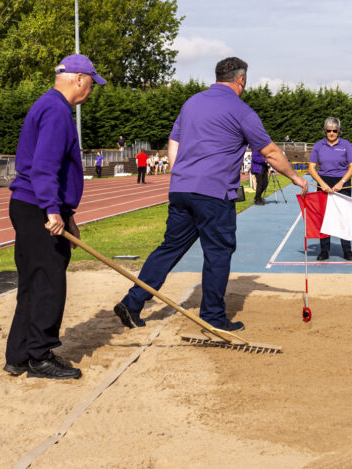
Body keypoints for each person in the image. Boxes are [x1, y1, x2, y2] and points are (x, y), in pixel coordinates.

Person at [113, 57, 307, 332]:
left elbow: (174, 140)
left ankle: (132, 302)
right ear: (241, 80)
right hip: (214, 193)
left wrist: (179, 173)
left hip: (181, 189)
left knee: (170, 247)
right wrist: (296, 178)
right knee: (218, 251)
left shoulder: (191, 103)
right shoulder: (242, 111)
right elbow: (271, 153)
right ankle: (213, 317)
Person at [4, 54, 106, 379]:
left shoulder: (49, 105)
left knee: (33, 283)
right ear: (79, 79)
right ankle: (39, 355)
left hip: (33, 205)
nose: (91, 90)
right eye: (91, 83)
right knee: (49, 282)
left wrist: (67, 213)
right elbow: (44, 165)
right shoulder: (57, 111)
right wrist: (51, 209)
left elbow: (54, 170)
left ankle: (19, 355)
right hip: (37, 206)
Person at [308, 116, 352, 261]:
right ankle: (324, 250)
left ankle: (347, 250)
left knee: (343, 218)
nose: (331, 133)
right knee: (323, 218)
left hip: (342, 183)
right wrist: (321, 183)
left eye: (334, 131)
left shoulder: (346, 145)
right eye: (328, 130)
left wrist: (342, 182)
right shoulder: (318, 146)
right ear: (325, 130)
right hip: (323, 182)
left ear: (339, 131)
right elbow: (311, 168)